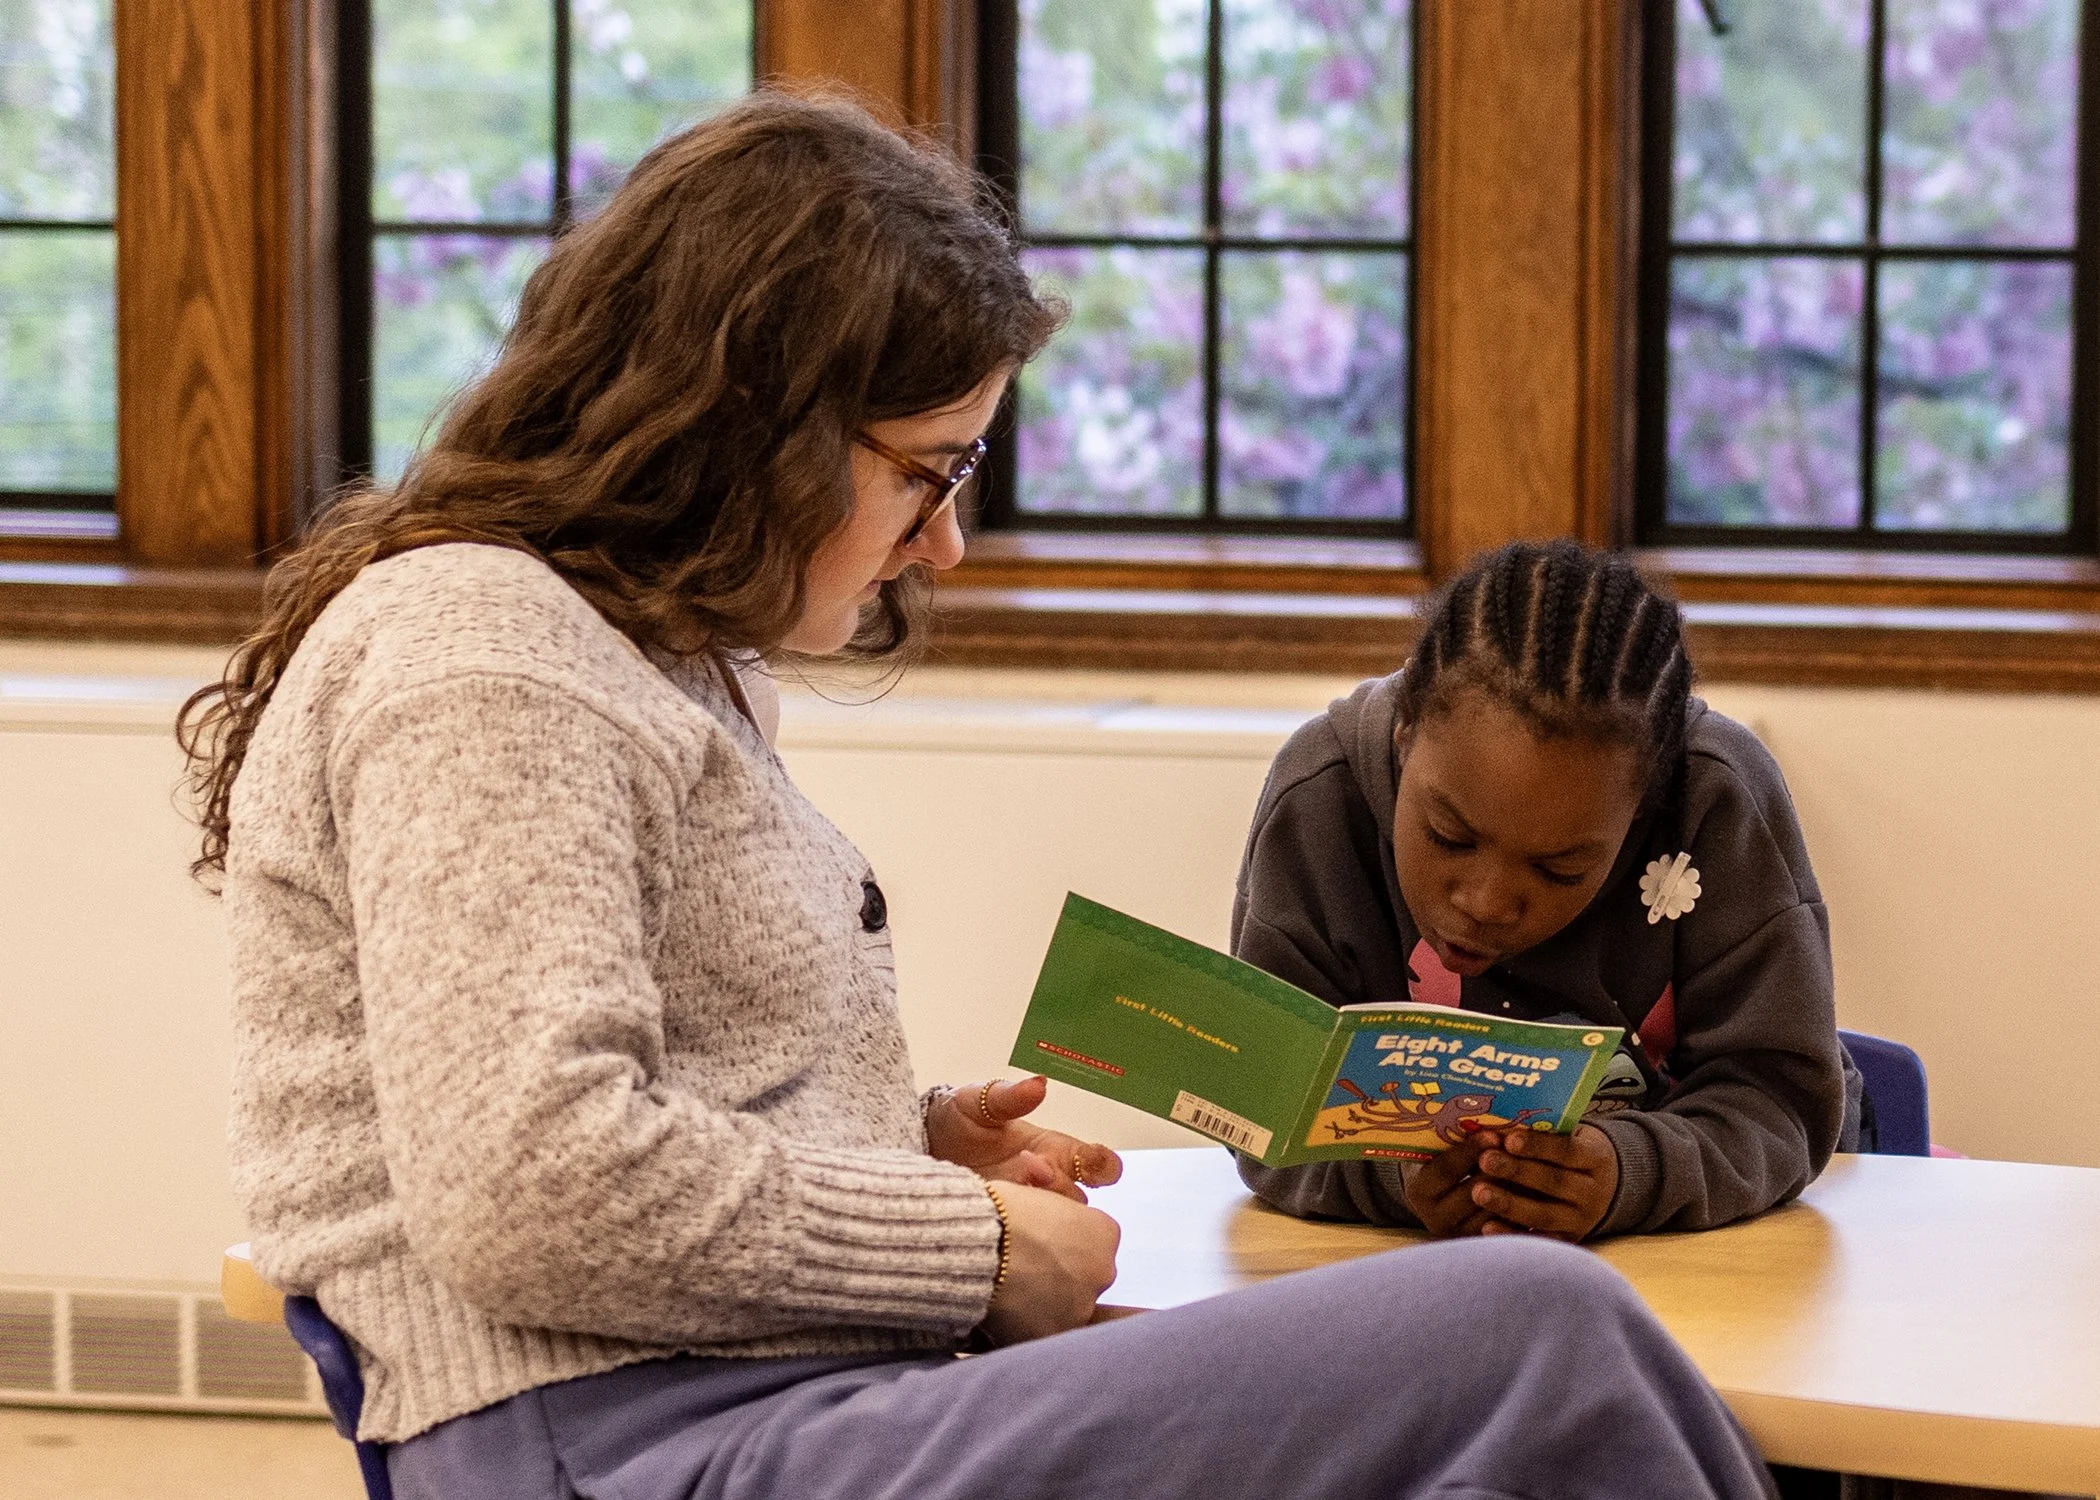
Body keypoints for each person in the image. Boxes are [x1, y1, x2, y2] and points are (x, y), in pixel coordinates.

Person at [182, 93, 1778, 1500]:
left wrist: (903, 1145)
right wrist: (969, 1247)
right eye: (930, 469)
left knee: (1506, 1416)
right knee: (1534, 1337)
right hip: (629, 1452)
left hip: (769, 1406)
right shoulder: (490, 662)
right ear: (755, 423)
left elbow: (638, 1102)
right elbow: (533, 1193)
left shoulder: (651, 661)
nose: (943, 543)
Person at [1234, 539, 1863, 1242]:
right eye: (1450, 836)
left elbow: (1780, 1100)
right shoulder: (1321, 800)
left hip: (1710, 1267)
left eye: (1559, 869)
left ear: (1643, 809)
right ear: (1405, 733)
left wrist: (1629, 1173)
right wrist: (1396, 1177)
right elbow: (1261, 1104)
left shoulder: (1717, 801)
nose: (1487, 902)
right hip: (1404, 1276)